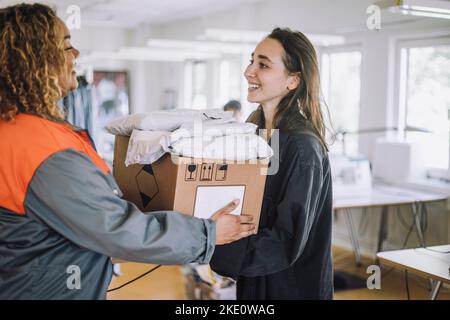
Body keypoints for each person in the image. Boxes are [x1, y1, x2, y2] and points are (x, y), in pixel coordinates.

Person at [0, 3, 255, 300]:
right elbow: (115, 228)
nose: (76, 55)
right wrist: (207, 234)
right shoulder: (41, 148)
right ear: (36, 58)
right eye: (67, 46)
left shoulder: (17, 130)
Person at [210, 27, 333, 299]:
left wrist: (210, 244)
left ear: (292, 81)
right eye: (251, 60)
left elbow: (284, 241)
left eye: (262, 64)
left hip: (290, 288)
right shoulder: (252, 133)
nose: (248, 71)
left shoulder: (303, 149)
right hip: (254, 282)